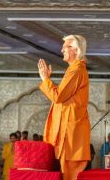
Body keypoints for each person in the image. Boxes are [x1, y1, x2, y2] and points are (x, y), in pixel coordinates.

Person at [38, 35, 91, 180]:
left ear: (75, 49)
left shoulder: (77, 70)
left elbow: (58, 97)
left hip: (70, 132)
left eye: (65, 47)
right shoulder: (73, 70)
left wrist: (45, 79)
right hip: (67, 130)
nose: (61, 50)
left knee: (70, 174)